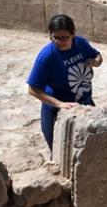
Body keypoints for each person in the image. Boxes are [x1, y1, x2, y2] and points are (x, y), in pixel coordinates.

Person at [27, 14, 102, 150]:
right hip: (56, 110)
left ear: (73, 34)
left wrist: (96, 62)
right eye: (56, 38)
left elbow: (97, 55)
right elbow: (32, 89)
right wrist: (60, 104)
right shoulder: (47, 57)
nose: (60, 42)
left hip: (85, 103)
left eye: (65, 37)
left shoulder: (81, 43)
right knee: (58, 151)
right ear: (50, 36)